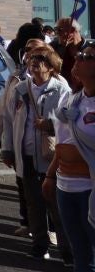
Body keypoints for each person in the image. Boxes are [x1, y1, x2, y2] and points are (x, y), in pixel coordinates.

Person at [13, 44, 73, 258]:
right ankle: (40, 245)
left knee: (57, 205)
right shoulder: (20, 89)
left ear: (51, 67)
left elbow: (70, 121)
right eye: (32, 58)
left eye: (41, 59)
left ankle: (67, 250)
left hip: (52, 157)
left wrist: (50, 124)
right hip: (27, 155)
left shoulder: (62, 90)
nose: (35, 62)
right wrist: (7, 148)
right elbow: (11, 120)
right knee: (34, 204)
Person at [0, 39, 54, 239]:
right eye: (27, 51)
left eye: (35, 52)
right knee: (27, 191)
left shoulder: (60, 86)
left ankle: (52, 231)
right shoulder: (16, 80)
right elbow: (5, 113)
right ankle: (31, 226)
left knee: (49, 192)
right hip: (23, 146)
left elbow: (66, 119)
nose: (29, 55)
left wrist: (50, 124)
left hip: (48, 151)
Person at [53, 43, 95, 272]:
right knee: (80, 255)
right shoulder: (71, 100)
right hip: (65, 188)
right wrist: (51, 176)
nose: (78, 59)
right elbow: (61, 144)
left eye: (87, 56)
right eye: (79, 55)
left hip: (90, 190)